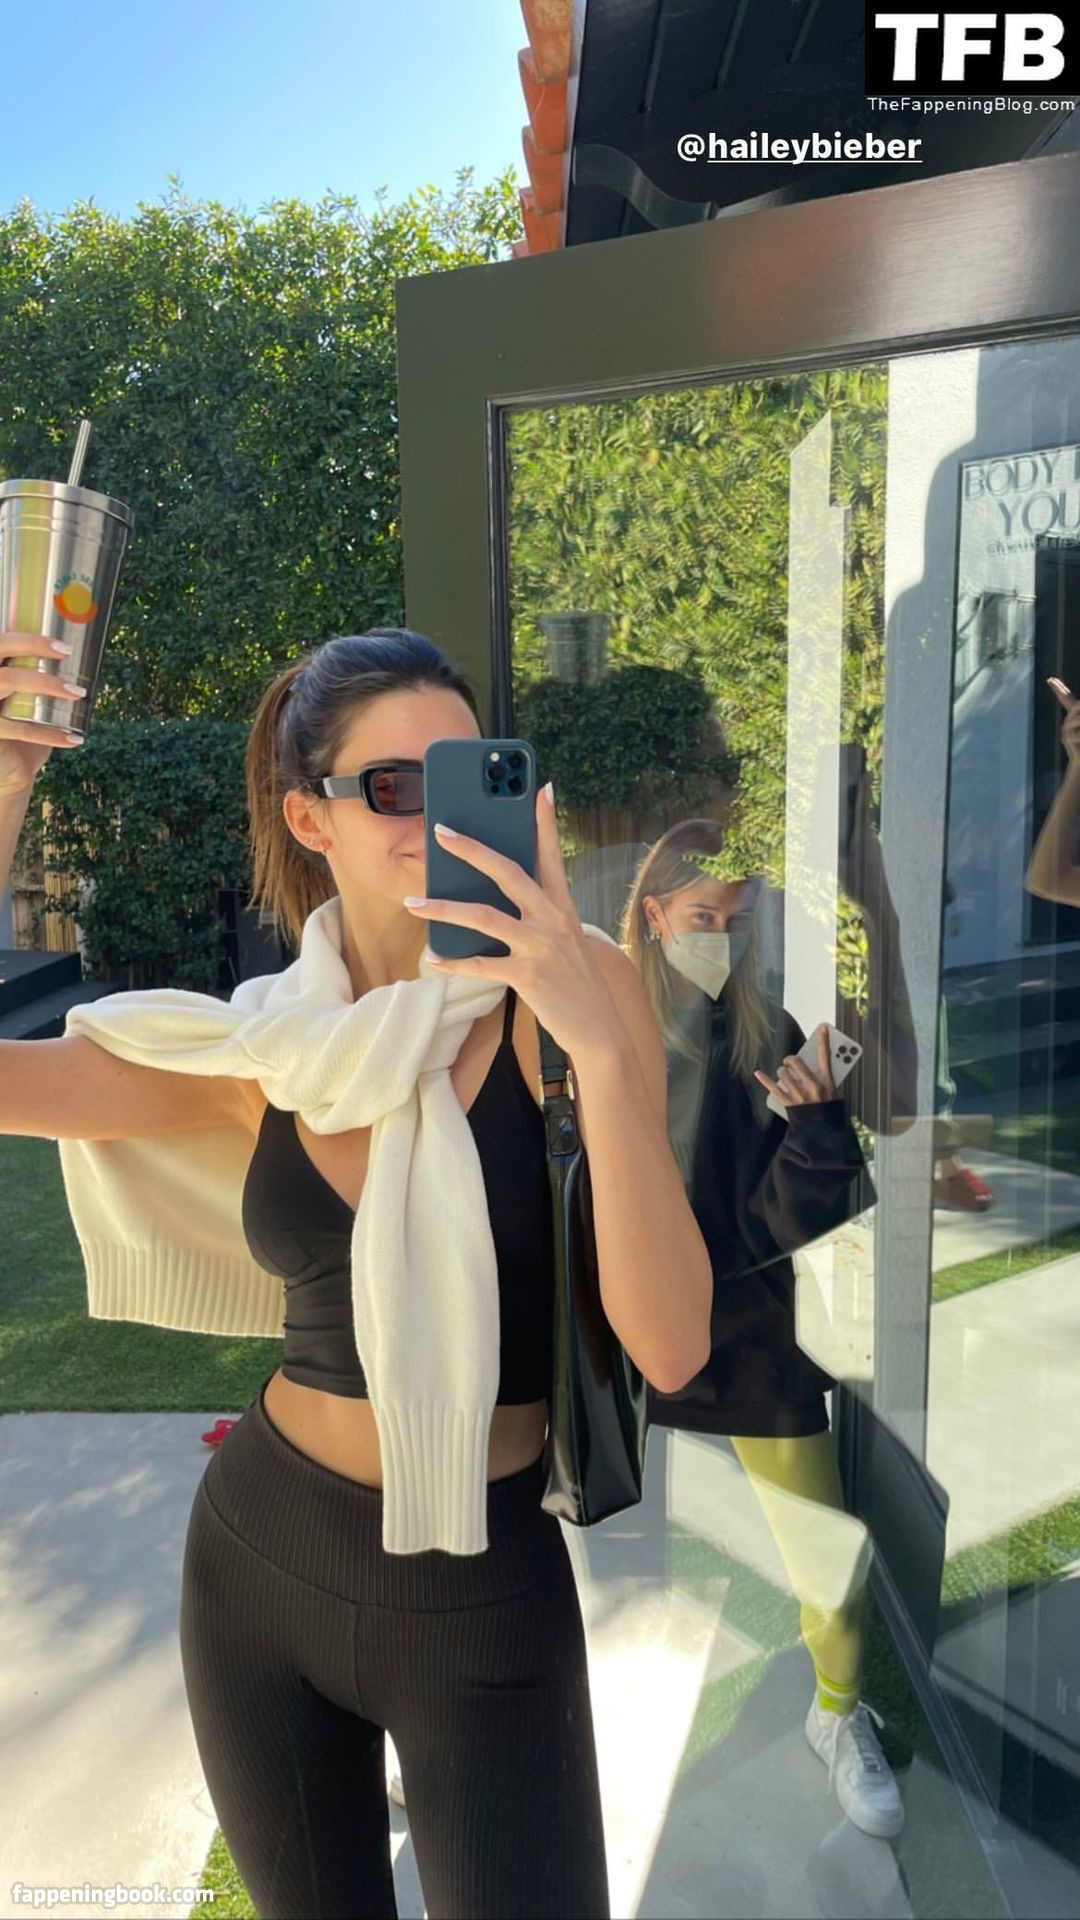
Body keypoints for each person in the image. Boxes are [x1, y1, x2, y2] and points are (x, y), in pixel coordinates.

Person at [0, 627, 714, 1920]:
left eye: (467, 776)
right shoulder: (274, 1047)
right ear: (309, 819)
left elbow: (669, 1346)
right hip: (259, 1560)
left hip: (482, 1586)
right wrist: (4, 786)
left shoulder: (582, 993)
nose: (434, 815)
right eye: (393, 786)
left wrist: (600, 1047)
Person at [621, 819, 906, 1842]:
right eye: (703, 915)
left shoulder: (764, 1034)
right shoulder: (604, 1030)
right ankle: (468, 1716)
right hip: (620, 1325)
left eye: (737, 919)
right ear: (654, 915)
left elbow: (786, 1224)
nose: (722, 936)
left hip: (747, 1333)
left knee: (825, 1550)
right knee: (530, 1531)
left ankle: (838, 1713)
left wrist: (820, 1125)